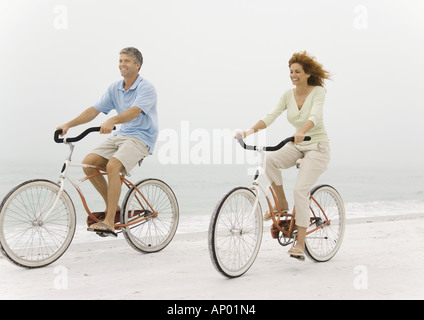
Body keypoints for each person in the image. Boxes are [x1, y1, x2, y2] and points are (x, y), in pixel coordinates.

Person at [235, 51, 331, 260]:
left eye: (297, 71)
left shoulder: (318, 92)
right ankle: (282, 206)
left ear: (307, 74)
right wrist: (248, 132)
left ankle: (300, 244)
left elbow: (315, 115)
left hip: (317, 147)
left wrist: (302, 130)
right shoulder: (288, 95)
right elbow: (271, 116)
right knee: (269, 160)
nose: (293, 75)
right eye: (291, 72)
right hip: (296, 144)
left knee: (300, 190)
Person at [56, 47, 158, 237]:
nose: (122, 65)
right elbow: (94, 110)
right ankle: (116, 208)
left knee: (113, 166)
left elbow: (135, 111)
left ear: (138, 65)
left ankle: (109, 221)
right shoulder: (115, 88)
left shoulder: (146, 88)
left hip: (141, 137)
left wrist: (113, 120)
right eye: (120, 61)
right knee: (89, 164)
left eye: (126, 61)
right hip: (122, 135)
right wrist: (68, 125)